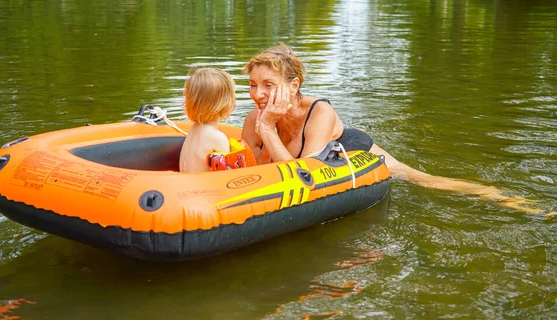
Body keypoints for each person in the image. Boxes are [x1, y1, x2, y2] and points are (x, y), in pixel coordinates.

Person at [241, 44, 544, 214]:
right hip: (307, 153)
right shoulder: (252, 119)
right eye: (253, 85)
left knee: (426, 181)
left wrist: (268, 129)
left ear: (293, 86)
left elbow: (304, 176)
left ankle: (508, 199)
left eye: (269, 85)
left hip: (349, 149)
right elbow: (248, 171)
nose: (258, 94)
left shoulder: (319, 112)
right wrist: (264, 129)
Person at [179, 68, 236, 173]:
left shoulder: (194, 129)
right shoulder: (217, 138)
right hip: (202, 188)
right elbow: (227, 176)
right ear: (225, 104)